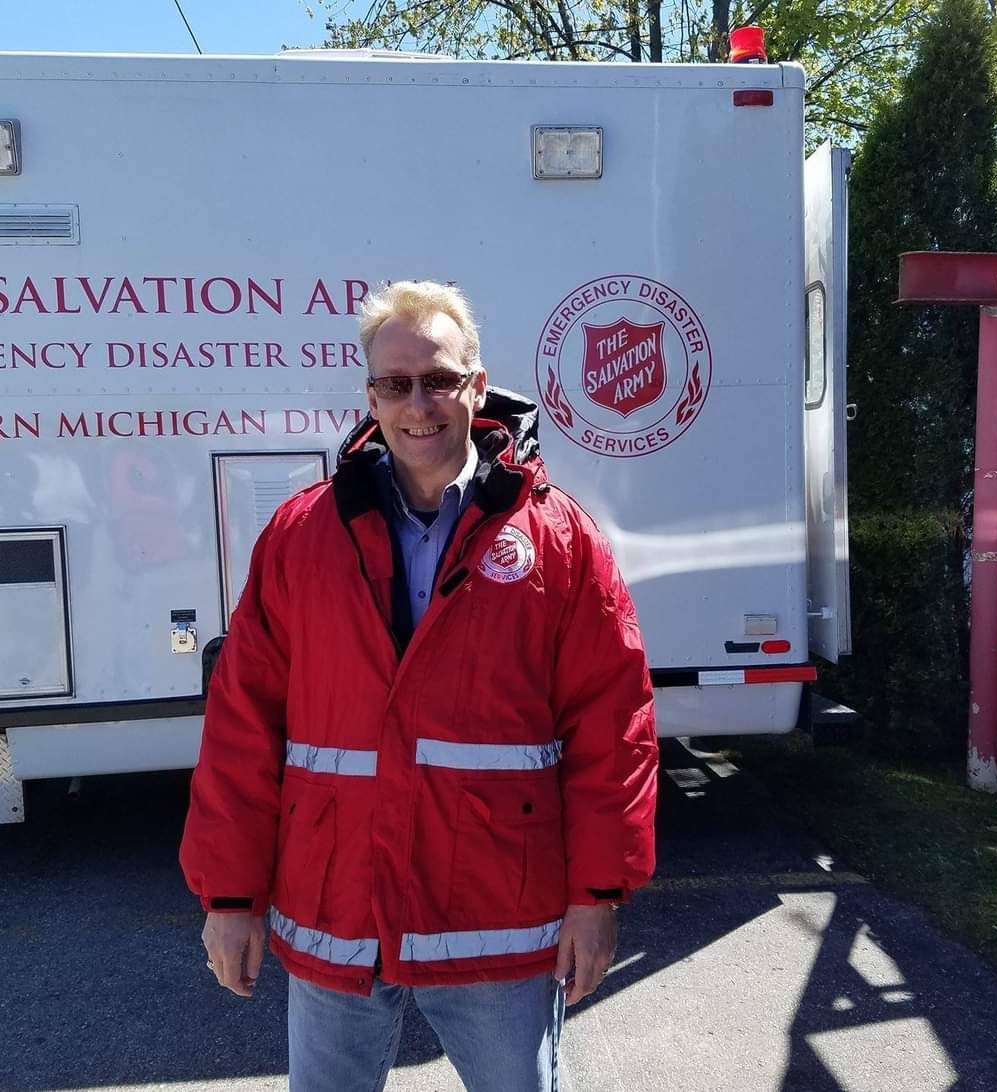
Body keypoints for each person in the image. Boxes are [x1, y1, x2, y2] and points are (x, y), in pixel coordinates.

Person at [180, 280, 658, 1091]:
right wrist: (230, 898)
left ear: (477, 385)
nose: (418, 404)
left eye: (438, 379)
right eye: (396, 384)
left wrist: (597, 896)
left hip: (494, 917)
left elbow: (612, 727)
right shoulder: (302, 535)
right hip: (339, 913)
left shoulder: (559, 539)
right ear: (371, 397)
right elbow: (242, 724)